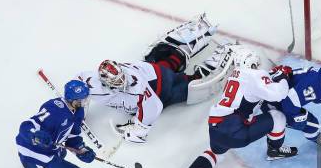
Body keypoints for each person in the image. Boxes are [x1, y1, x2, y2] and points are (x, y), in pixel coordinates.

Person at [78, 14, 235, 143]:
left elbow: (154, 106)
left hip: (162, 89)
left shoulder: (136, 89)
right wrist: (77, 103)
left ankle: (227, 52)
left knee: (193, 84)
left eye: (121, 77)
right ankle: (198, 37)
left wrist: (139, 130)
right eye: (117, 81)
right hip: (152, 70)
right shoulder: (93, 82)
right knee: (165, 61)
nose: (122, 81)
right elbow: (78, 82)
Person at [163, 48, 297, 168]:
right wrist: (283, 77)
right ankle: (274, 150)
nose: (257, 66)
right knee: (278, 117)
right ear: (250, 62)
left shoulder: (234, 75)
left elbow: (253, 87)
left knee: (215, 153)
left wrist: (271, 77)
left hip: (215, 127)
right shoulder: (254, 75)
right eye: (256, 64)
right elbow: (278, 94)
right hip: (234, 129)